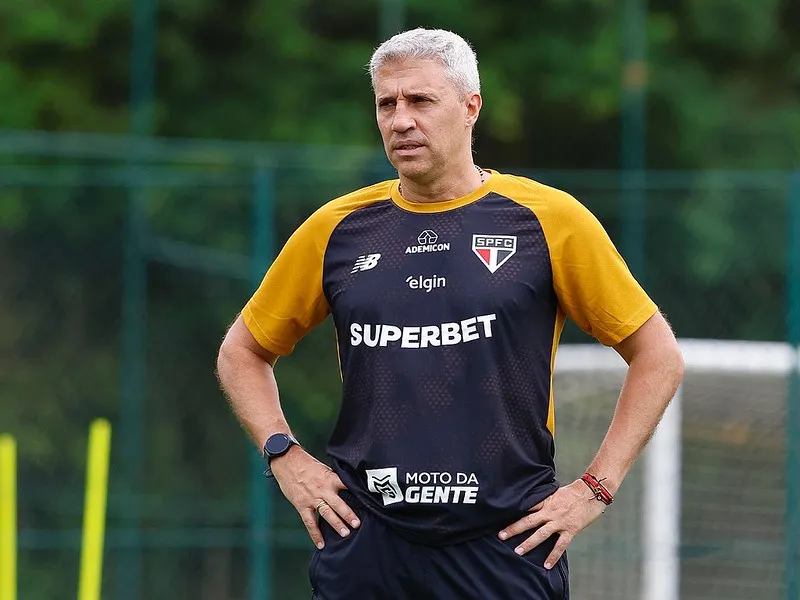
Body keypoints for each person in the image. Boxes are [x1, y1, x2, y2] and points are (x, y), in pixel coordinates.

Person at [216, 27, 684, 600]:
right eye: (386, 104)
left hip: (506, 544)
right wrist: (284, 456)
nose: (400, 120)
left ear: (470, 107)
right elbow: (241, 352)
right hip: (366, 543)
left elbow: (657, 356)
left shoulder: (547, 220)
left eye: (420, 101)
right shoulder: (337, 229)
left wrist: (596, 487)